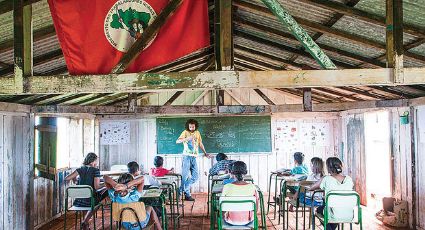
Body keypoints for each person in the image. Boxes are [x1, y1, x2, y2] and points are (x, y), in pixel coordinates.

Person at [65, 152, 108, 229]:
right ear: (93, 161)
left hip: (79, 201)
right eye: (96, 161)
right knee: (100, 198)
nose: (97, 163)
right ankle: (85, 222)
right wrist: (106, 184)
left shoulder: (80, 169)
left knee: (88, 197)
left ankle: (85, 224)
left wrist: (75, 180)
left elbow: (67, 178)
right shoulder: (95, 170)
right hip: (90, 200)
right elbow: (97, 187)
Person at [309, 157, 354, 230]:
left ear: (328, 168)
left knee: (319, 210)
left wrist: (322, 179)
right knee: (333, 209)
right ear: (341, 166)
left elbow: (311, 188)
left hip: (332, 213)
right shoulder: (349, 179)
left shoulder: (326, 179)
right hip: (349, 213)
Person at [176, 119, 211, 201]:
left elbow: (200, 143)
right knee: (184, 177)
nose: (192, 128)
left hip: (194, 157)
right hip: (186, 156)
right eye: (190, 127)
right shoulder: (185, 132)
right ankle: (187, 195)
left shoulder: (197, 133)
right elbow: (177, 141)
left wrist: (205, 153)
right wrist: (187, 138)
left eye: (193, 126)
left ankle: (180, 190)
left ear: (196, 126)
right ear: (188, 126)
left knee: (195, 177)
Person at [221, 161, 258, 226]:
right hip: (248, 220)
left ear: (232, 172)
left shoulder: (226, 187)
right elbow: (256, 208)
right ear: (246, 172)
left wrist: (224, 216)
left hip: (230, 221)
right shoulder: (252, 187)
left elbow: (222, 207)